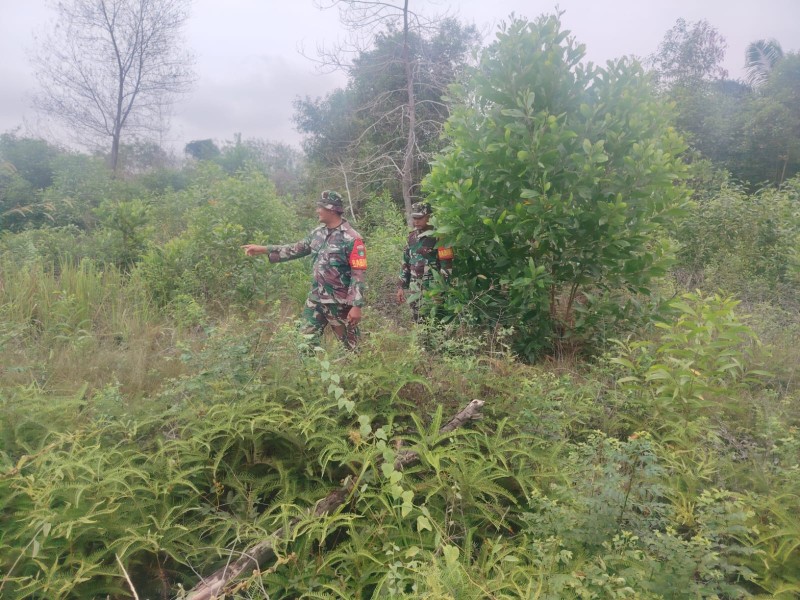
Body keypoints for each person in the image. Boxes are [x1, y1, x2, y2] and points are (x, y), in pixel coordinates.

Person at [242, 190, 366, 351]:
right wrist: (264, 249)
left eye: (320, 207)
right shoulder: (317, 233)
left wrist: (356, 305)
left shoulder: (353, 238)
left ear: (331, 210)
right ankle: (309, 367)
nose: (317, 210)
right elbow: (295, 249)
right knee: (304, 343)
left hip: (339, 303)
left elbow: (358, 274)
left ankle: (359, 367)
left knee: (352, 348)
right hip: (316, 299)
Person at [396, 202, 453, 322]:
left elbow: (446, 266)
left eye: (420, 218)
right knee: (419, 322)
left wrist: (441, 290)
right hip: (415, 289)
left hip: (434, 290)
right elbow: (406, 262)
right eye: (414, 218)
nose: (416, 221)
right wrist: (401, 286)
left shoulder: (439, 237)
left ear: (429, 217)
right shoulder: (411, 237)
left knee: (437, 323)